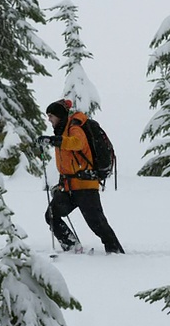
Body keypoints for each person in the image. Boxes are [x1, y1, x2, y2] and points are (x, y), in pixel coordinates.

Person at [37, 99, 125, 254]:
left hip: (85, 184)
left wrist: (54, 141)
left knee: (97, 223)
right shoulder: (62, 130)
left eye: (51, 115)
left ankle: (115, 252)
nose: (49, 119)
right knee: (52, 215)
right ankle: (72, 247)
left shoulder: (74, 127)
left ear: (59, 115)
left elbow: (77, 143)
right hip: (69, 186)